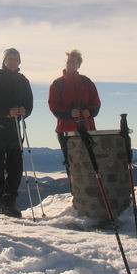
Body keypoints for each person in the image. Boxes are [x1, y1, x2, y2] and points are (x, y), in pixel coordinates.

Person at [0, 48, 33, 218]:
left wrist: (24, 110)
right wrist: (7, 112)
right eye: (9, 58)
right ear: (4, 60)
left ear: (19, 61)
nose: (12, 61)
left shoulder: (23, 80)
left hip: (13, 129)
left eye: (15, 58)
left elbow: (29, 104)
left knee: (15, 167)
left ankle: (9, 203)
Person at [48, 50, 101, 180]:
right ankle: (76, 192)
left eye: (74, 62)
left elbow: (96, 103)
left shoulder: (86, 82)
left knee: (90, 160)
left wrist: (90, 112)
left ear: (79, 65)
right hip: (66, 130)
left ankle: (92, 190)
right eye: (68, 62)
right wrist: (69, 113)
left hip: (87, 127)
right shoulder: (57, 83)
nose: (71, 64)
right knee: (71, 163)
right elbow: (53, 106)